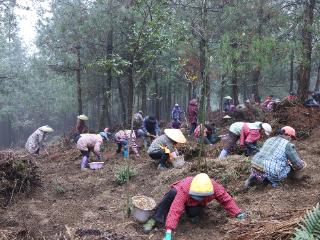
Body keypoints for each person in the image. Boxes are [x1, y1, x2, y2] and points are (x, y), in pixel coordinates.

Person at [143, 173, 245, 238]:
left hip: (195, 204)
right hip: (179, 195)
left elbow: (226, 200)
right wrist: (169, 231)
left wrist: (238, 213)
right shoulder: (185, 188)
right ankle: (155, 219)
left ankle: (191, 213)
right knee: (172, 194)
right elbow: (176, 209)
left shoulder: (215, 187)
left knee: (194, 213)